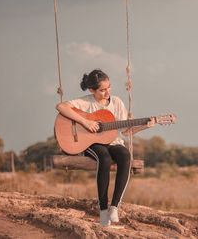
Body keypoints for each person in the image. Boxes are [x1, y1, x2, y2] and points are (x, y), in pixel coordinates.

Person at [56, 69, 154, 226]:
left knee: (125, 156)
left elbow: (126, 131)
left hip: (113, 142)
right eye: (102, 90)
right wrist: (85, 122)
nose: (107, 92)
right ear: (92, 90)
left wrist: (145, 126)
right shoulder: (86, 102)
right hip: (90, 143)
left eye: (109, 87)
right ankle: (102, 210)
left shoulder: (116, 102)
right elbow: (61, 106)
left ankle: (114, 207)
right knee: (105, 158)